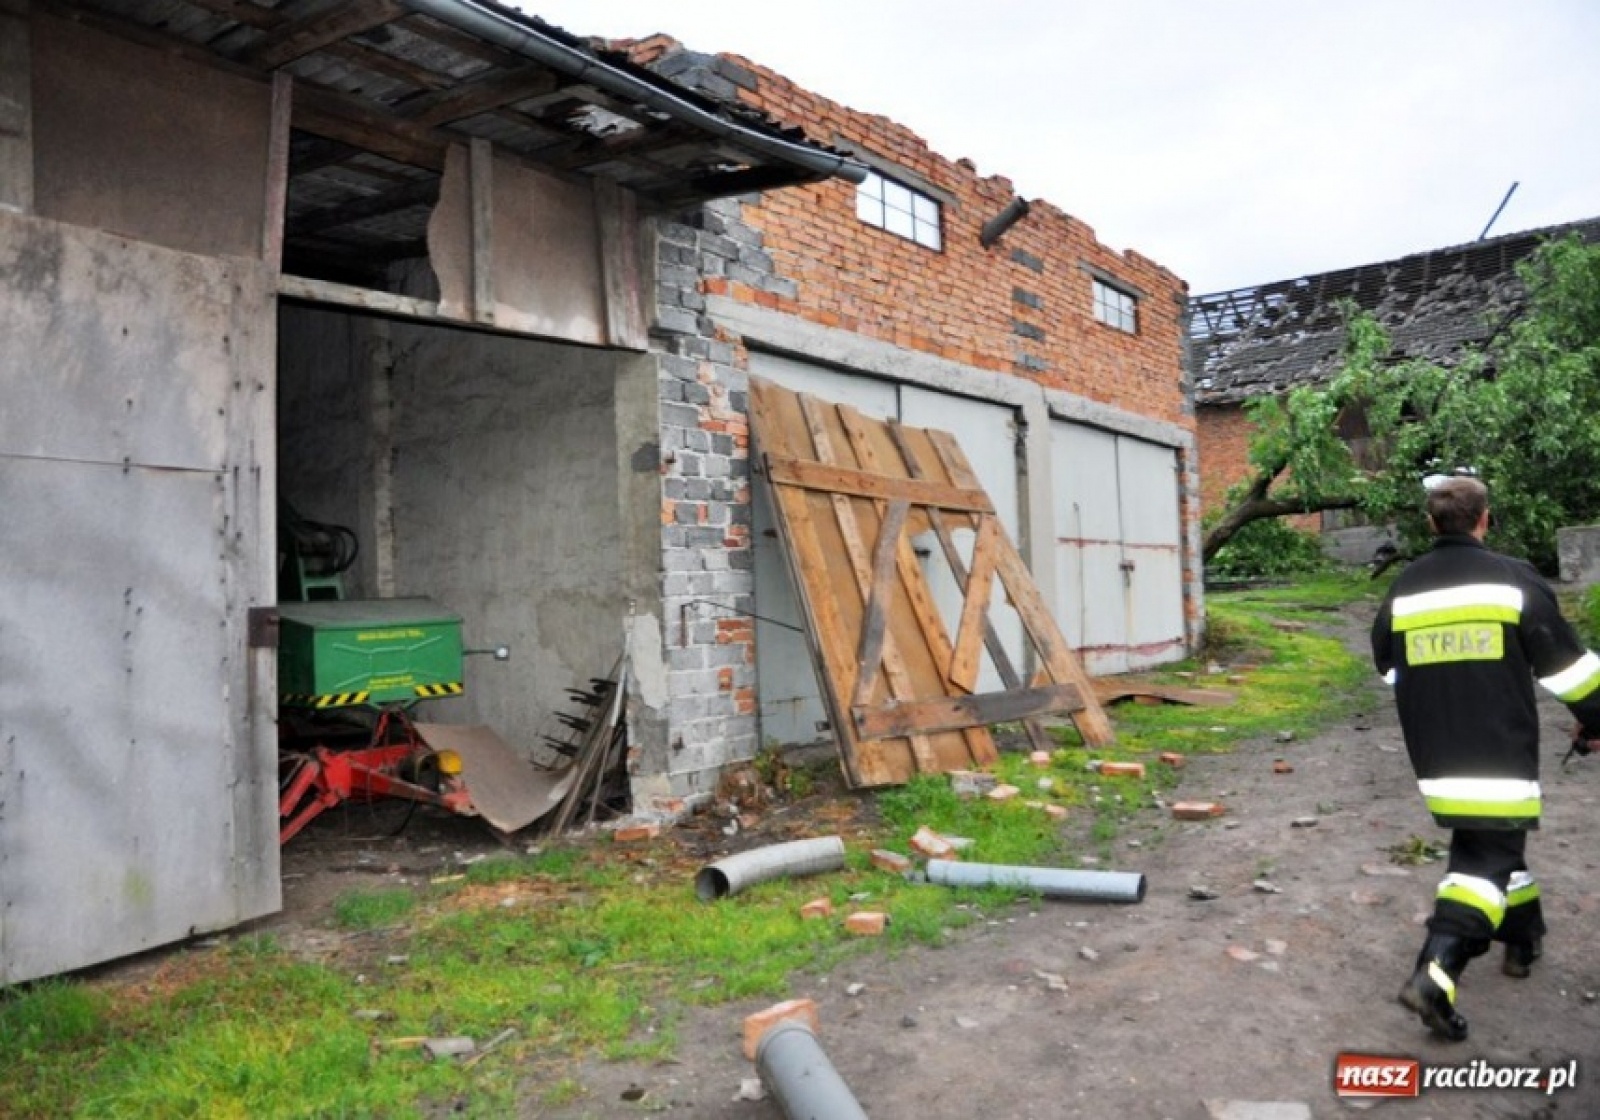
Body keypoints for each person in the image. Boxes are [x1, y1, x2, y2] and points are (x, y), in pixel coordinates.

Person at [1371, 474, 1600, 1041]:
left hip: (1436, 756)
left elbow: (1388, 666)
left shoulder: (1404, 588)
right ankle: (1435, 973)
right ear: (1484, 520)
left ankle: (1523, 940)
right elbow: (1568, 670)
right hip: (1498, 753)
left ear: (1431, 523)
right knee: (1480, 865)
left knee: (1493, 845)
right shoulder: (1512, 580)